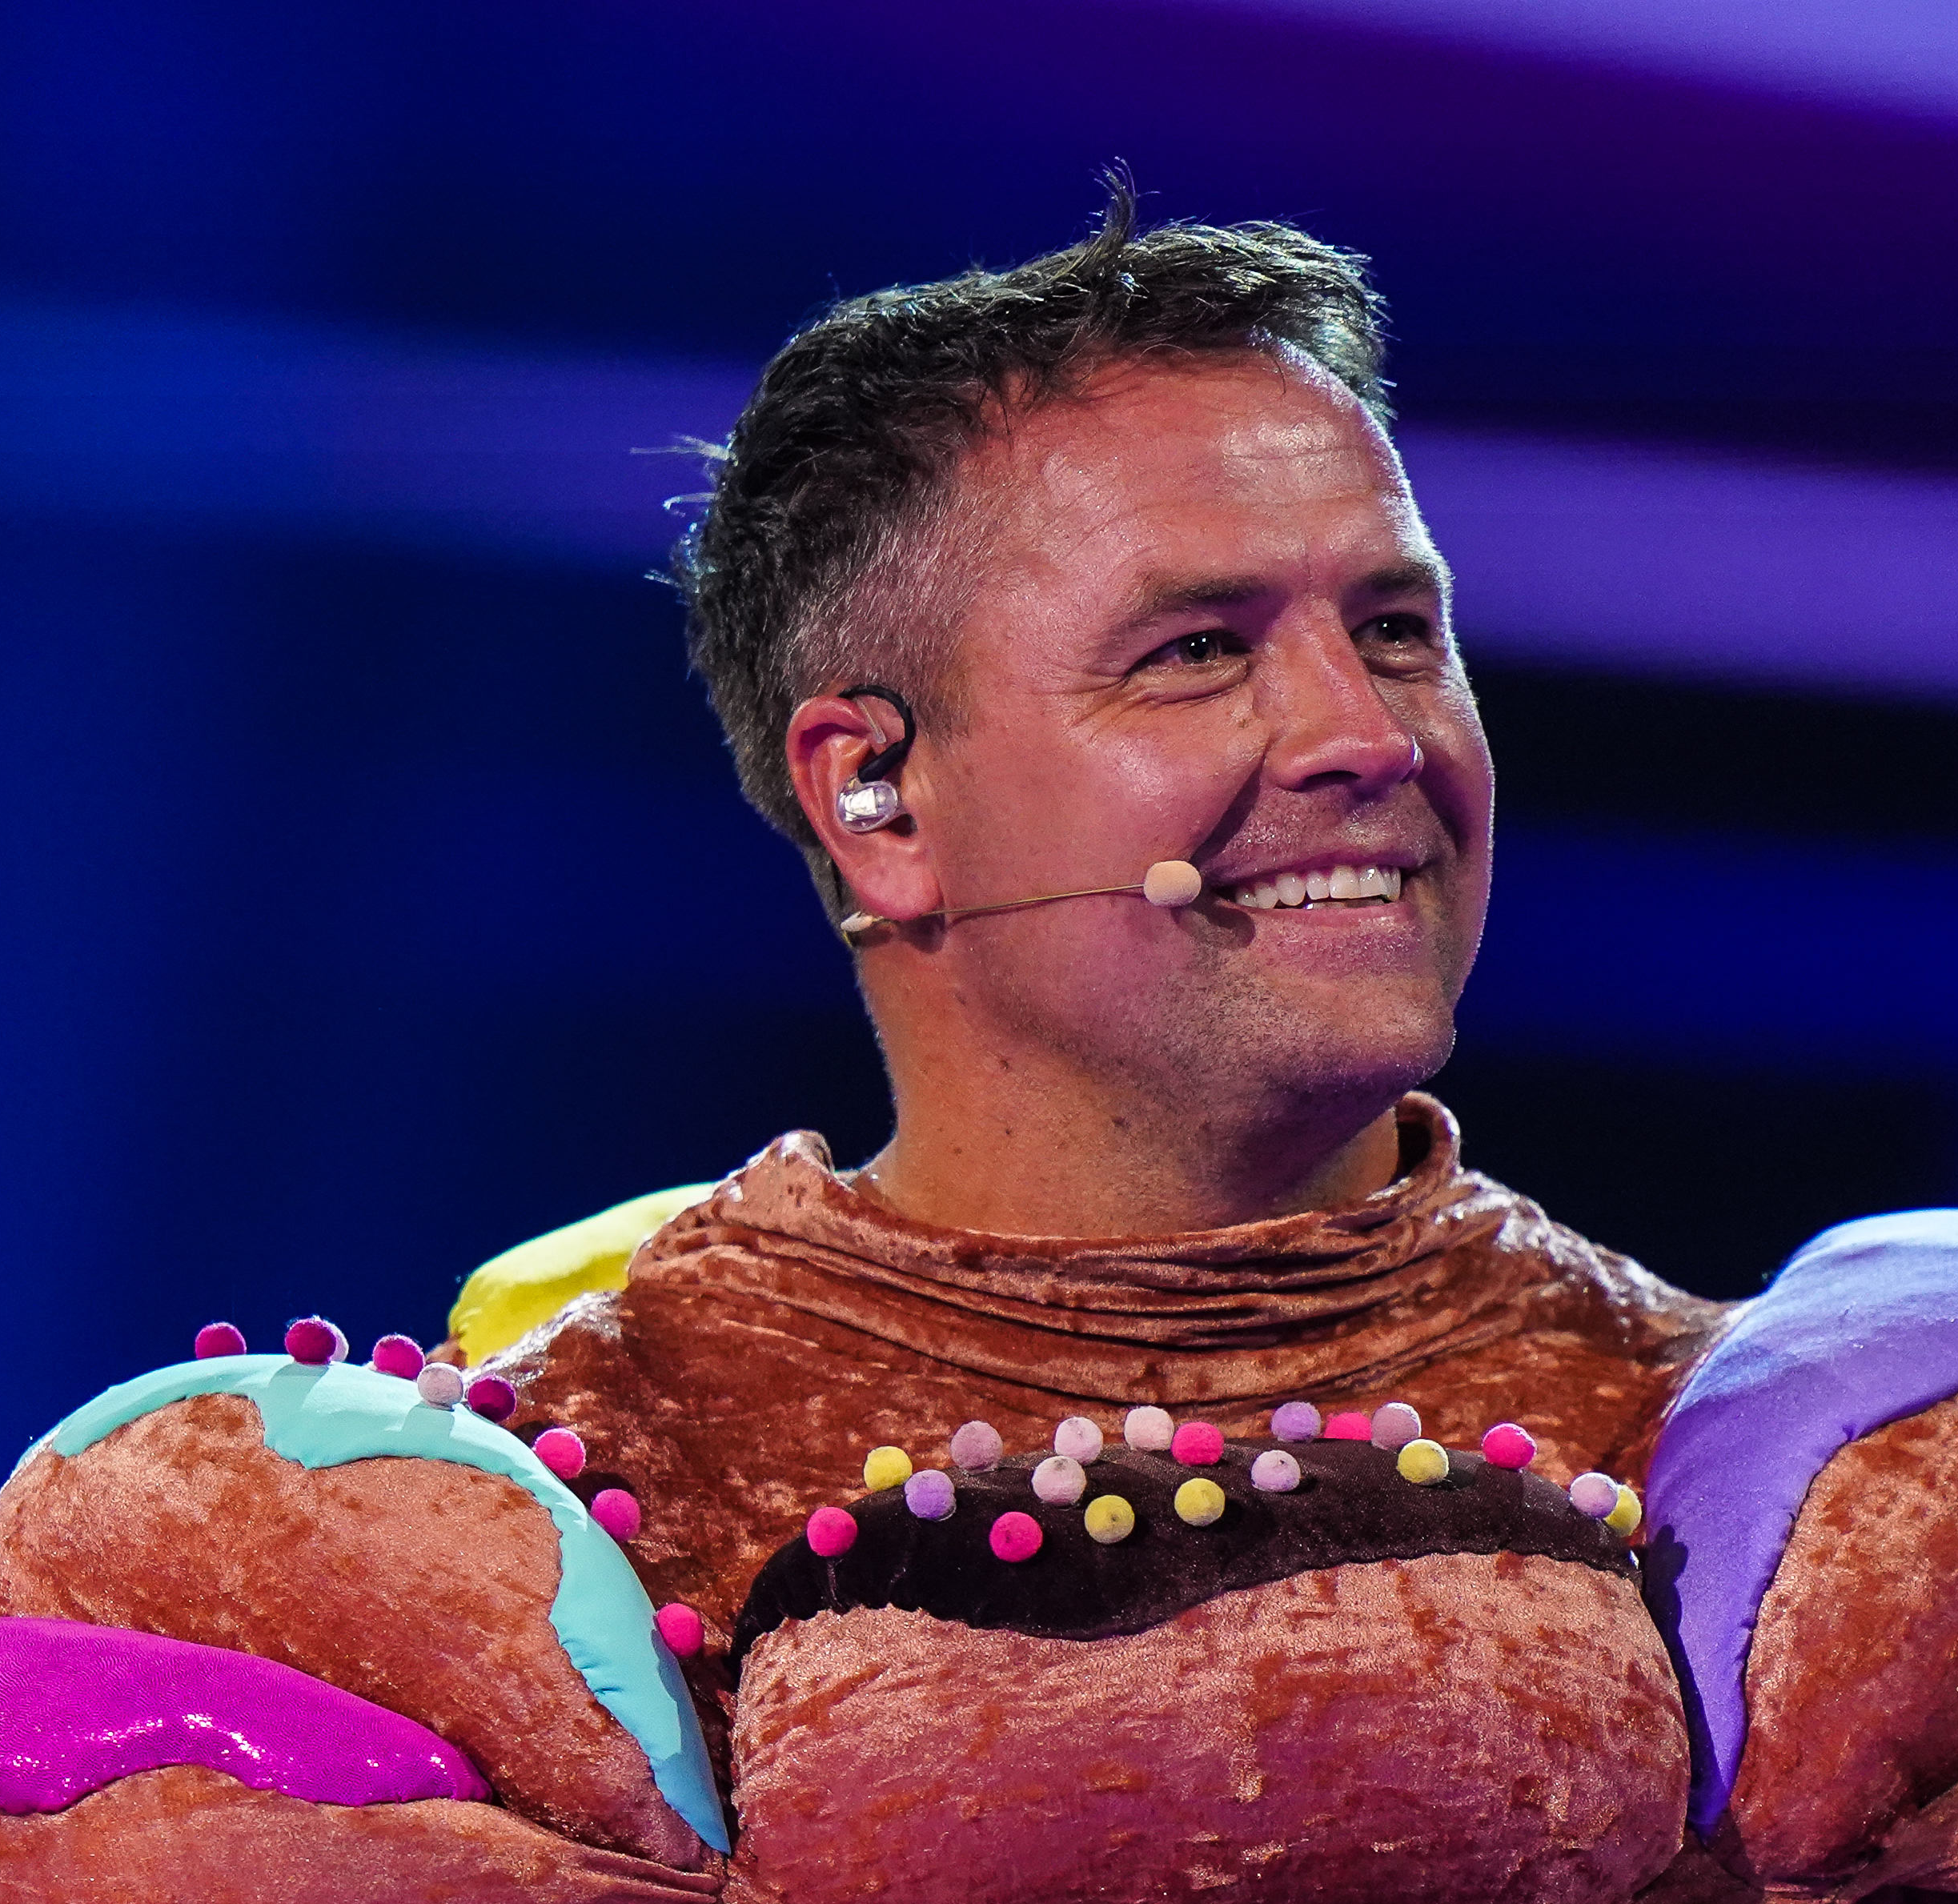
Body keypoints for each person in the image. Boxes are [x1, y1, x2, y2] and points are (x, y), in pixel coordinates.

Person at [483, 196, 1726, 1624]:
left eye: (1394, 630)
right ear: (877, 799)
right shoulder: (542, 1519)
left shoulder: (1781, 1467)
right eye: (1195, 650)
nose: (1370, 737)